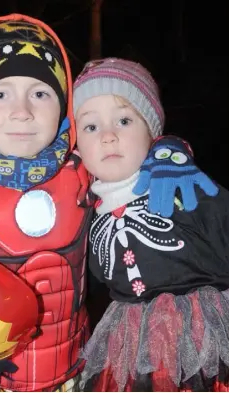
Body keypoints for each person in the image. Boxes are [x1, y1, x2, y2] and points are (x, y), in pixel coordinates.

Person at [0, 14, 219, 392]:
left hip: (77, 375)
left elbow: (129, 144)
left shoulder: (81, 172)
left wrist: (169, 152)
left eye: (40, 93)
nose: (23, 111)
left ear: (63, 106)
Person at [73, 57, 229, 391]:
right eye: (90, 126)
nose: (108, 136)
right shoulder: (87, 209)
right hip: (130, 341)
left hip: (202, 341)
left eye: (124, 120)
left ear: (152, 132)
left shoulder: (179, 187)